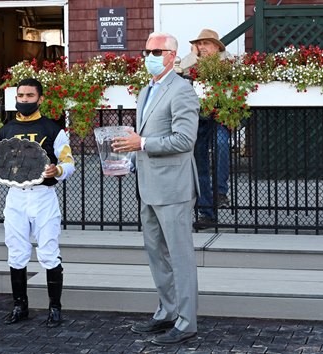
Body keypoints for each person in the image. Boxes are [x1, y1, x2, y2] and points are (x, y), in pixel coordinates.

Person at [112, 32, 200, 345]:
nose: (148, 55)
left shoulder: (182, 91)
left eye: (156, 51)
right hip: (148, 185)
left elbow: (185, 140)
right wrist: (130, 160)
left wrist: (143, 143)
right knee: (156, 255)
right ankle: (167, 312)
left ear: (172, 56)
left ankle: (187, 322)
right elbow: (143, 138)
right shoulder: (146, 90)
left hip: (174, 188)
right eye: (146, 50)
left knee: (179, 257)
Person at [0, 78, 75, 328]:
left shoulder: (54, 129)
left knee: (48, 251)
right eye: (20, 96)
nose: (24, 100)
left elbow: (69, 163)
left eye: (29, 96)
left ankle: (55, 309)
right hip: (16, 199)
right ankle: (19, 306)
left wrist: (57, 171)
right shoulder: (5, 131)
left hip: (44, 198)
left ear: (40, 98)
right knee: (16, 251)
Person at [181, 29, 232, 225]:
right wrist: (193, 55)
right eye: (199, 43)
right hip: (199, 117)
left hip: (219, 116)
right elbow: (179, 70)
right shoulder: (192, 62)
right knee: (199, 160)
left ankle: (220, 193)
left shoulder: (227, 60)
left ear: (216, 47)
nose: (202, 47)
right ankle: (206, 213)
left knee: (221, 144)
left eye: (206, 43)